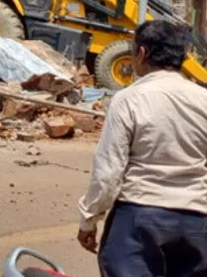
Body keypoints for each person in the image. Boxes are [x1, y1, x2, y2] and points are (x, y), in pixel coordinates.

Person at [77, 19, 207, 276]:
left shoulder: (128, 100)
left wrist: (89, 219)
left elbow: (108, 173)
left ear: (142, 53)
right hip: (197, 223)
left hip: (139, 220)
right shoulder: (203, 99)